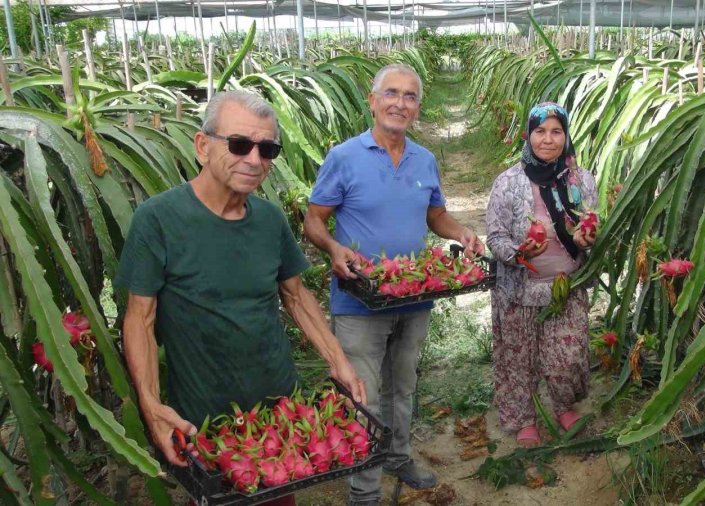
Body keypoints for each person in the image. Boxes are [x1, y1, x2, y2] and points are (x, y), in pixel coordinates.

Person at [116, 91, 366, 505]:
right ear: (202, 146)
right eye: (239, 144)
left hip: (279, 407)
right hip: (206, 418)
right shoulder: (158, 221)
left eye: (267, 149)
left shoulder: (268, 219)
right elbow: (139, 319)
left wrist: (339, 362)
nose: (254, 159)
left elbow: (296, 295)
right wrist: (150, 403)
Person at [304, 63, 484, 505]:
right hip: (360, 301)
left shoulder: (424, 159)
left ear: (418, 107)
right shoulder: (344, 157)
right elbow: (313, 220)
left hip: (414, 294)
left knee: (402, 385)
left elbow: (435, 215)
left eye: (409, 96)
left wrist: (459, 231)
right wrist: (332, 248)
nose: (399, 103)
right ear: (372, 100)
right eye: (391, 93)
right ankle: (364, 491)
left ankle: (398, 456)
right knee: (363, 395)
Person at [485, 102, 598, 448]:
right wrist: (519, 253)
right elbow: (494, 237)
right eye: (540, 131)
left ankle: (563, 406)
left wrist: (587, 238)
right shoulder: (508, 182)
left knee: (568, 356)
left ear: (566, 136)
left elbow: (592, 223)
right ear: (528, 135)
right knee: (520, 357)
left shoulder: (581, 180)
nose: (547, 139)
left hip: (567, 287)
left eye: (556, 132)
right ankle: (525, 419)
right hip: (519, 289)